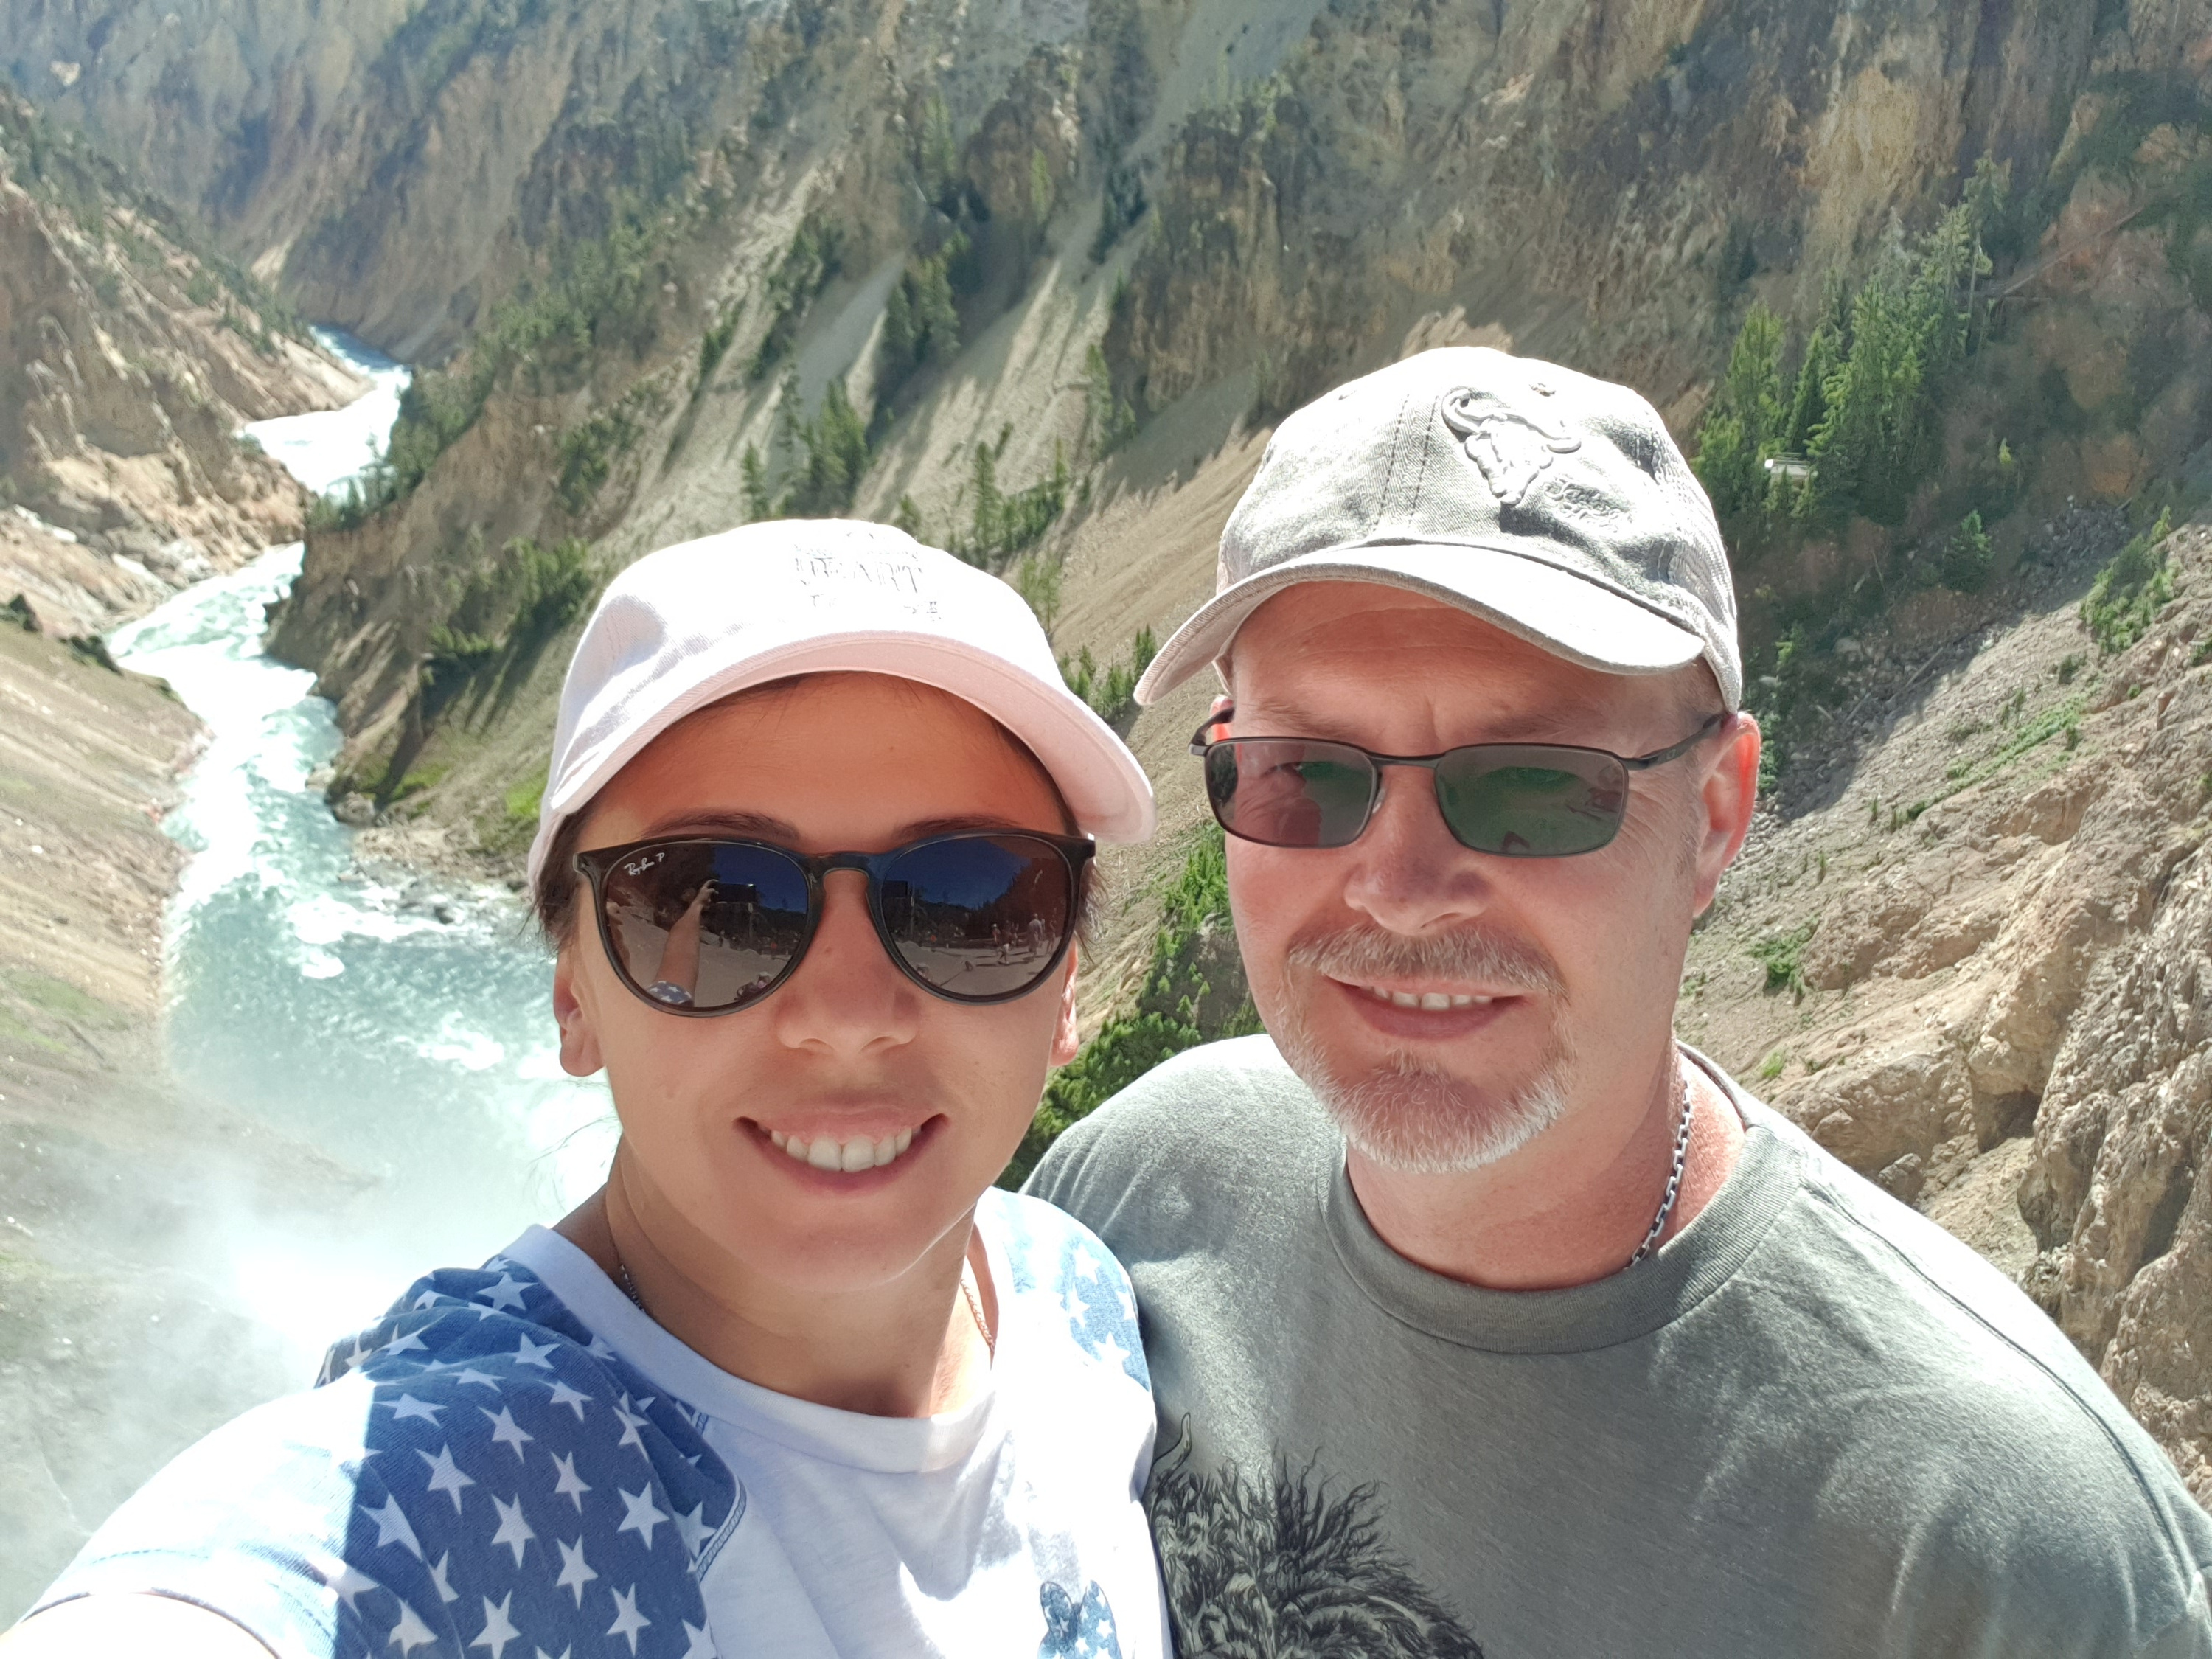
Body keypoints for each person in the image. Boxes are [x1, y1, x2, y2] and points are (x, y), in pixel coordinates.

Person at [1029, 347, 2212, 1657]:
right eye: (1305, 771)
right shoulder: (1129, 1200)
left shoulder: (2006, 1557)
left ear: (1716, 813)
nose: (1404, 889)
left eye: (1535, 781)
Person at [9, 520, 1170, 1659]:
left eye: (970, 899)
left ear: (1067, 976)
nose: (846, 1011)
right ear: (575, 995)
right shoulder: (453, 1496)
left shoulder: (1079, 1297)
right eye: (718, 905)